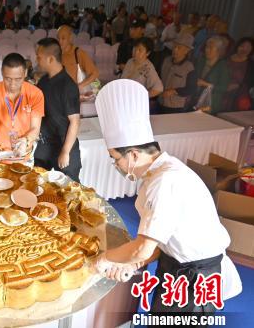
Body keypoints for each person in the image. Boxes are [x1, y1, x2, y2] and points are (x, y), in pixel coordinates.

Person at [94, 79, 241, 315]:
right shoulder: (159, 173)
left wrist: (103, 259)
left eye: (116, 158)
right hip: (175, 264)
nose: (115, 164)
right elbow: (158, 243)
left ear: (132, 155)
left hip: (195, 278)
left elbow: (142, 248)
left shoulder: (165, 181)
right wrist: (132, 264)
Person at [0, 53, 45, 164]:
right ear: (1, 72)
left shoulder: (35, 94)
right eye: (8, 79)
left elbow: (35, 128)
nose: (12, 84)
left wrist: (25, 141)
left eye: (18, 79)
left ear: (25, 73)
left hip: (24, 155)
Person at [34, 38, 82, 181]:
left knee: (68, 186)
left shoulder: (68, 86)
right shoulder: (43, 81)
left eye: (39, 57)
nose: (37, 60)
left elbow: (75, 122)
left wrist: (66, 152)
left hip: (64, 142)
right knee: (38, 181)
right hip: (45, 142)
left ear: (50, 59)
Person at [158, 33, 197, 113]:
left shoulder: (189, 67)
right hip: (161, 102)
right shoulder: (166, 61)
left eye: (179, 48)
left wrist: (173, 91)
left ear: (187, 50)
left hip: (176, 107)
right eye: (174, 46)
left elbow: (191, 89)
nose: (175, 50)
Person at [192, 36, 231, 114]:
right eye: (206, 46)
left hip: (211, 104)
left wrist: (206, 84)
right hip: (196, 100)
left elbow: (224, 87)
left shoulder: (223, 66)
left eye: (211, 48)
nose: (207, 50)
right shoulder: (201, 61)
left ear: (218, 50)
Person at [57, 25, 99, 93]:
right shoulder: (57, 53)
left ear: (70, 38)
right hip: (60, 93)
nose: (60, 41)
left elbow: (95, 73)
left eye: (63, 38)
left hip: (74, 95)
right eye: (58, 38)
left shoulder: (78, 53)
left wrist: (79, 86)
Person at [227, 37, 254, 111]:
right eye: (242, 46)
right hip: (222, 91)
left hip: (240, 95)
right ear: (238, 46)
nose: (244, 49)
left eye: (248, 47)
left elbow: (251, 81)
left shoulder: (252, 65)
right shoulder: (226, 59)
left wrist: (238, 85)